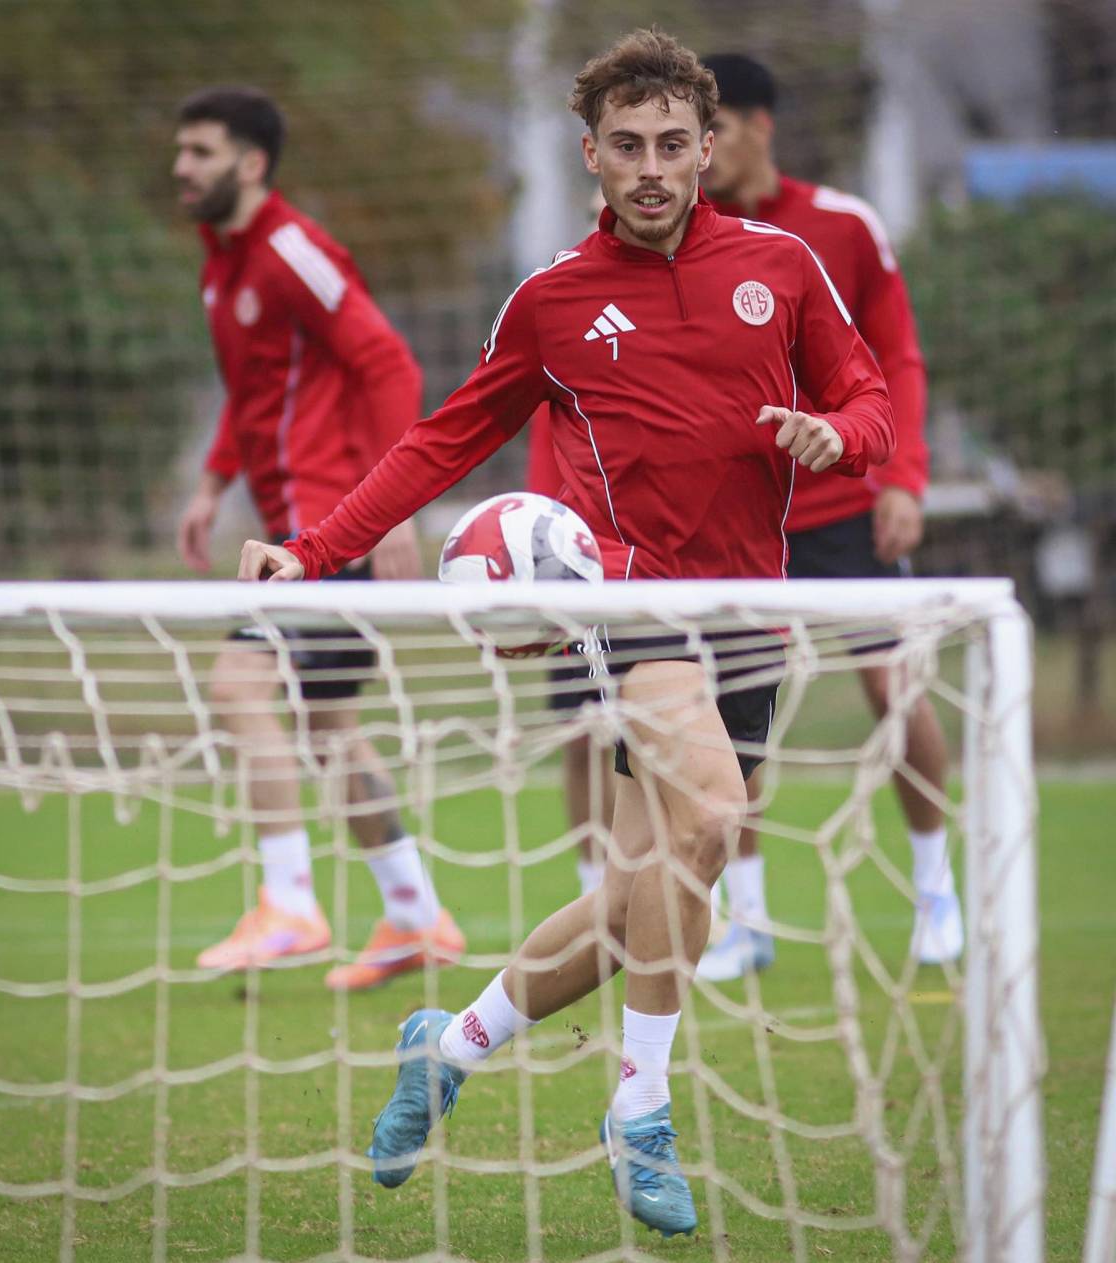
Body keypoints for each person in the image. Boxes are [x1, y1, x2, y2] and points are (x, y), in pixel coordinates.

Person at [239, 30, 894, 1236]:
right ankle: (642, 1111)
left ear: (710, 149)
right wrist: (315, 546)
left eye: (672, 146)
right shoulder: (552, 300)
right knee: (707, 822)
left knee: (652, 885)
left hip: (753, 609)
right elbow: (442, 439)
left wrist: (834, 438)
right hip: (625, 605)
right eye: (626, 147)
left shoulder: (786, 266)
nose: (651, 168)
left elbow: (871, 403)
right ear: (590, 155)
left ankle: (451, 1045)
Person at [173, 86, 464, 989]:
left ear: (252, 164)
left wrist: (394, 509)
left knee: (237, 681)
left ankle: (291, 901)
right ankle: (417, 915)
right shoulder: (222, 266)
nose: (182, 167)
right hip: (292, 528)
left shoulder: (291, 249)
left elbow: (387, 360)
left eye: (202, 151)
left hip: (328, 530)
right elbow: (257, 392)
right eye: (180, 150)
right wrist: (214, 481)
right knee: (330, 726)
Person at [695, 54, 961, 982]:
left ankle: (937, 894)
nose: (693, 154)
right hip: (739, 521)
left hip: (847, 504)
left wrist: (904, 474)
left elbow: (899, 355)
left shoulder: (843, 224)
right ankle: (749, 921)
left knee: (894, 690)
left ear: (759, 126)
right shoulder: (684, 237)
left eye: (710, 130)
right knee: (737, 723)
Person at [525, 184, 616, 899]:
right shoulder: (555, 302)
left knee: (652, 732)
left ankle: (722, 893)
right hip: (568, 558)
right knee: (581, 729)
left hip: (654, 570)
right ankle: (595, 886)